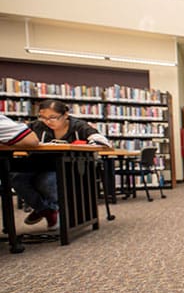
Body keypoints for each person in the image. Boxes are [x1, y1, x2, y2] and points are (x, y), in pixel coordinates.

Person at [11, 99, 112, 230]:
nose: (47, 121)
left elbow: (99, 139)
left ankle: (51, 210)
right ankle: (46, 210)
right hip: (37, 163)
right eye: (43, 117)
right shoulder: (37, 126)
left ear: (65, 115)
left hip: (66, 167)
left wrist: (93, 142)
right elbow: (18, 135)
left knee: (46, 182)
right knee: (15, 178)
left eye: (53, 117)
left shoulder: (78, 126)